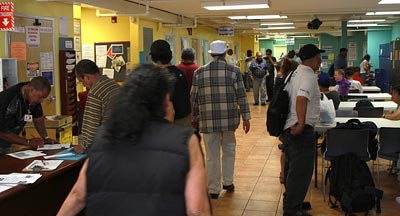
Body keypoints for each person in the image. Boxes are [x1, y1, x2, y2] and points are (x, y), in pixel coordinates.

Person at [58, 64, 211, 216]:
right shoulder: (185, 140)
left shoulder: (103, 137)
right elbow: (197, 210)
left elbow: (78, 196)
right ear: (165, 100)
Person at [191, 40, 251, 199]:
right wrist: (246, 117)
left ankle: (213, 189)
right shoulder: (234, 71)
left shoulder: (199, 72)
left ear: (210, 54)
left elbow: (193, 98)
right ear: (225, 53)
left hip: (208, 119)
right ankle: (228, 182)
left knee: (211, 154)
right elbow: (241, 95)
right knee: (229, 150)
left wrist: (195, 117)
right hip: (229, 119)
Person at [279, 44, 323, 216]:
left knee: (292, 169)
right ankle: (292, 210)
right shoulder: (308, 76)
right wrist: (302, 123)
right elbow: (301, 98)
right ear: (314, 59)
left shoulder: (293, 73)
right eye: (319, 57)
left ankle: (291, 202)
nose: (320, 60)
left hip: (288, 127)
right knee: (301, 172)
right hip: (300, 131)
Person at [0, 76, 58, 154]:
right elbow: (3, 133)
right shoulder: (8, 100)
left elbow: (38, 118)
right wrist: (28, 142)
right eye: (41, 97)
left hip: (7, 143)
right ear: (31, 90)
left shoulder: (31, 94)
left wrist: (45, 138)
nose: (42, 101)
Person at [73, 59, 120, 153]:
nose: (83, 85)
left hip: (107, 146)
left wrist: (84, 146)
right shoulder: (113, 85)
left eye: (82, 81)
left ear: (87, 77)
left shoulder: (95, 92)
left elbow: (91, 124)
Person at [151, 39, 191, 127]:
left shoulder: (158, 77)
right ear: (170, 55)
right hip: (185, 122)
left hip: (170, 124)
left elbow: (169, 108)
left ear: (153, 57)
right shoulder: (179, 73)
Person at [275, 57, 299, 184]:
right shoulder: (294, 82)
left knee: (284, 149)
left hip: (282, 120)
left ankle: (283, 174)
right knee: (290, 150)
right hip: (290, 119)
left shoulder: (280, 80)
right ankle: (288, 175)